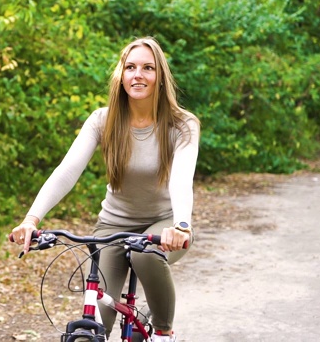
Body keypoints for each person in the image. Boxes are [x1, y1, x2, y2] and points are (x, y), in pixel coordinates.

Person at [10, 36, 200, 342]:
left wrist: (181, 225)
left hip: (165, 225)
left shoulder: (182, 124)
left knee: (146, 256)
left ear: (160, 77)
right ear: (121, 75)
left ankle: (163, 333)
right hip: (113, 226)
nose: (138, 75)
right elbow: (68, 170)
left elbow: (181, 178)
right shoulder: (103, 120)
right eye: (131, 67)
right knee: (96, 319)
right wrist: (31, 219)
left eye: (148, 68)